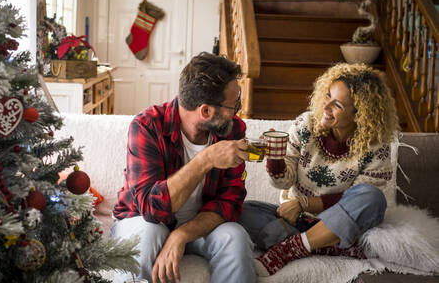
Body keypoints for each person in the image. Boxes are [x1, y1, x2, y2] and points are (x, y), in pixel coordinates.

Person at [238, 63, 400, 276]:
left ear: (359, 115)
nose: (325, 107)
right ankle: (329, 245)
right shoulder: (306, 125)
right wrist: (275, 158)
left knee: (373, 198)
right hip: (296, 220)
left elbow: (360, 199)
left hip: (339, 219)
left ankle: (290, 249)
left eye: (338, 105)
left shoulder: (376, 145)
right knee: (241, 211)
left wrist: (305, 203)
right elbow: (283, 181)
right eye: (327, 96)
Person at [111, 52, 256, 283]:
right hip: (143, 220)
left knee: (235, 236)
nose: (237, 111)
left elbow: (230, 202)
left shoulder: (233, 130)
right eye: (233, 105)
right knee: (150, 233)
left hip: (198, 227)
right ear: (206, 111)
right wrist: (205, 160)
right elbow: (152, 209)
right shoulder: (147, 126)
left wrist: (180, 235)